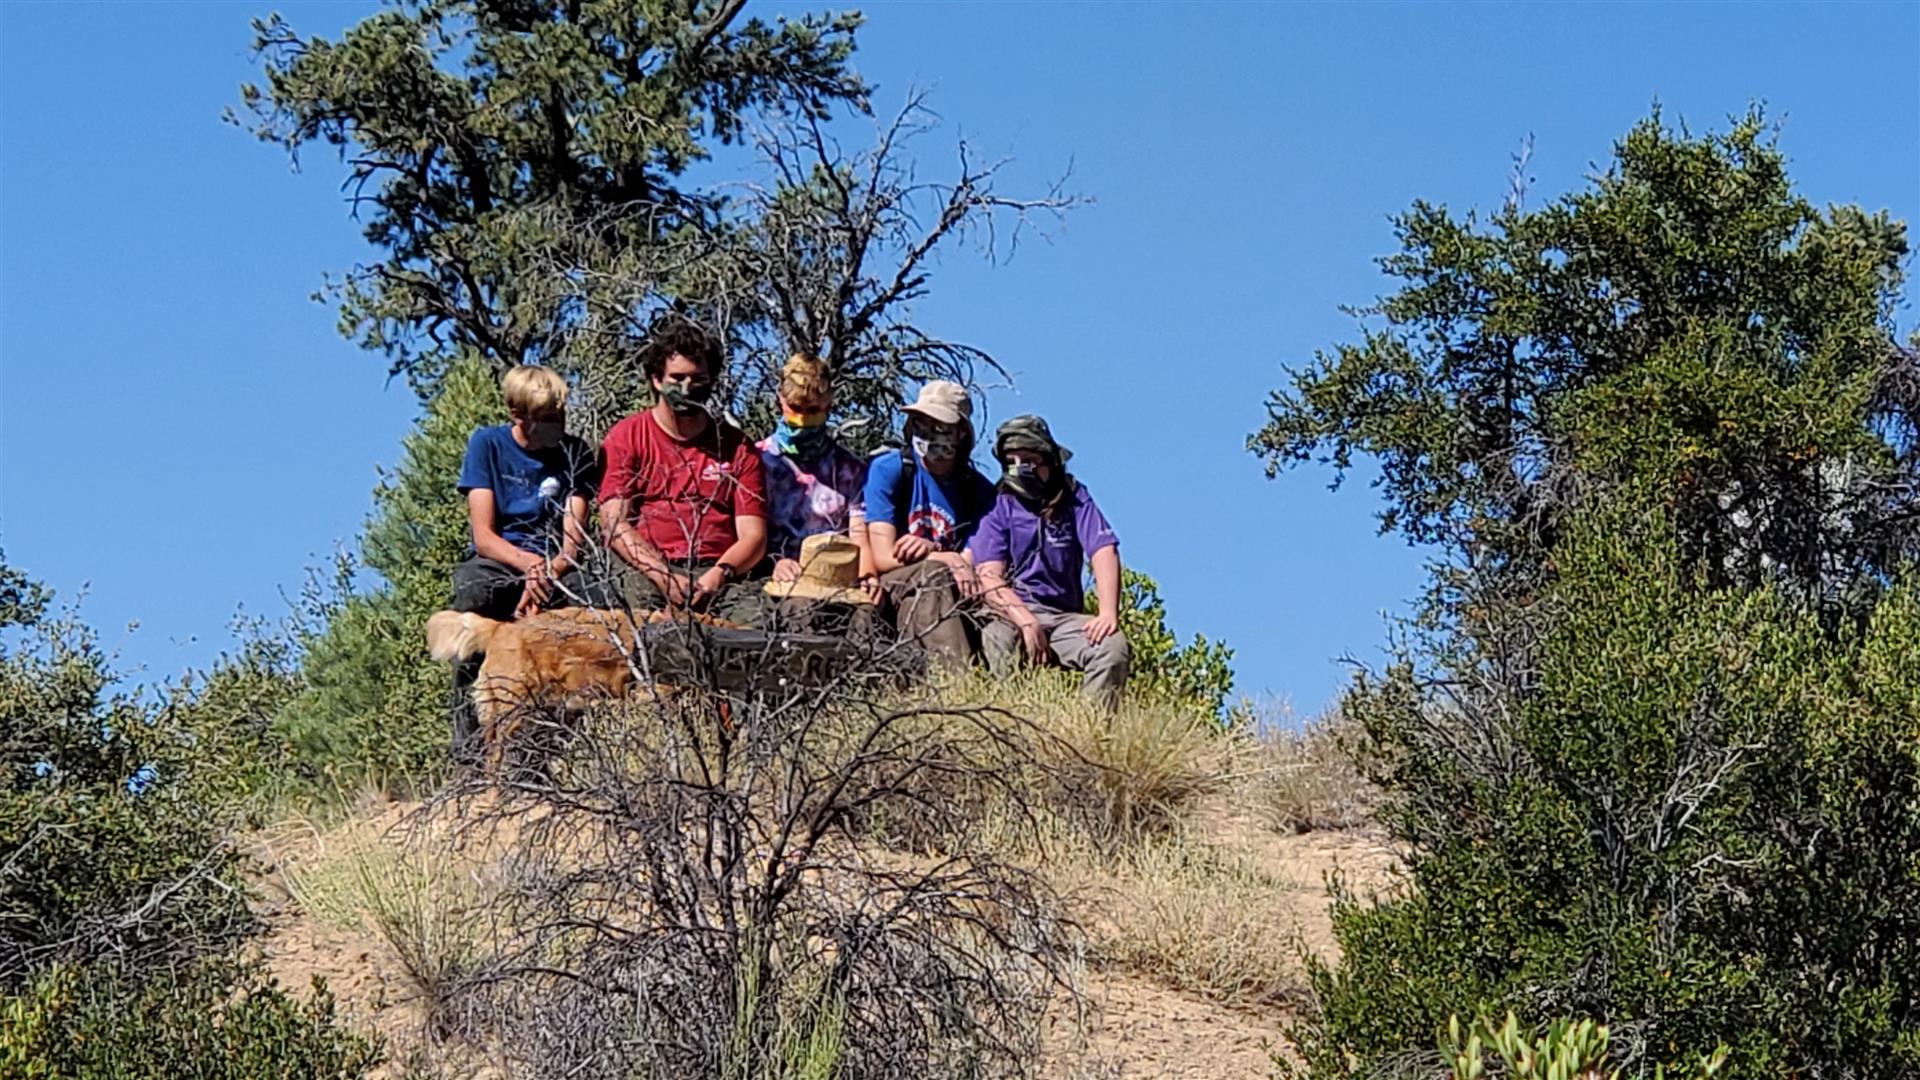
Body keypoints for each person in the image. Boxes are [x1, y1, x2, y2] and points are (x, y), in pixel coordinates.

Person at [449, 364, 603, 751]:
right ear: (519, 415)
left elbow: (574, 541)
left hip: (557, 565)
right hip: (502, 557)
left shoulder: (575, 453)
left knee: (595, 605)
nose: (558, 425)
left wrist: (548, 571)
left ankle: (553, 742)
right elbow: (484, 536)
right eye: (547, 418)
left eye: (560, 415)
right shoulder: (487, 445)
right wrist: (529, 566)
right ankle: (470, 744)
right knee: (475, 593)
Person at [598, 318, 768, 624]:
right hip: (647, 568)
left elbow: (753, 535)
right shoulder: (627, 436)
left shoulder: (738, 447)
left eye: (697, 379)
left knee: (754, 624)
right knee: (640, 624)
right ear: (657, 380)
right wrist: (662, 575)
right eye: (677, 378)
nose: (687, 388)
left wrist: (719, 574)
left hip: (717, 572)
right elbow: (614, 523)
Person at [973, 415, 1131, 710]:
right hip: (1011, 613)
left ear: (1048, 460)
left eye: (1029, 461)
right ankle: (1009, 720)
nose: (1021, 468)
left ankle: (1091, 728)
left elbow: (1104, 549)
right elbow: (989, 577)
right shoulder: (998, 504)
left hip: (1063, 617)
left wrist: (1108, 614)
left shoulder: (1074, 497)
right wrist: (1025, 621)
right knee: (997, 639)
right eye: (1012, 461)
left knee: (1111, 647)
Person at [862, 380, 997, 667]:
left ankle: (932, 683)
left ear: (961, 433)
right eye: (919, 422)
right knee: (935, 573)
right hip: (894, 582)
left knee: (924, 599)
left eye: (939, 425)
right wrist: (938, 554)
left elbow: (971, 564)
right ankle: (959, 678)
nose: (927, 432)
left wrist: (942, 558)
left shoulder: (979, 491)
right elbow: (883, 556)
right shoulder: (889, 470)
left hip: (946, 594)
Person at [755, 354, 878, 636]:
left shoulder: (850, 470)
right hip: (780, 578)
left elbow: (860, 535)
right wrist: (773, 562)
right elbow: (746, 531)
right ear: (780, 400)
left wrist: (868, 575)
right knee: (802, 611)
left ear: (829, 406)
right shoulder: (757, 461)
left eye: (812, 410)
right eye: (795, 408)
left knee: (868, 614)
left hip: (838, 580)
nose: (802, 419)